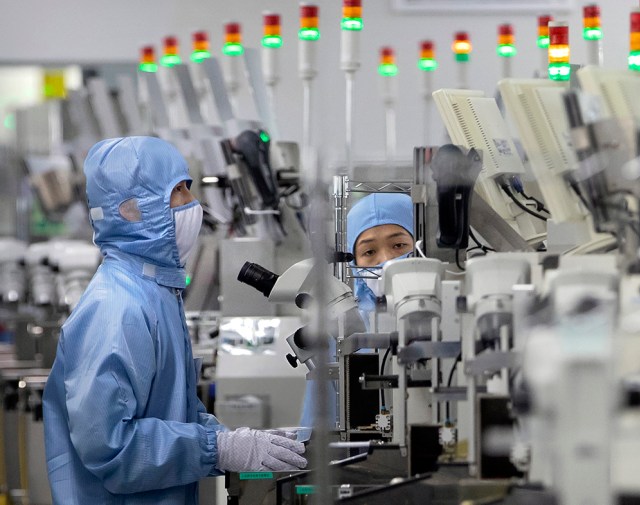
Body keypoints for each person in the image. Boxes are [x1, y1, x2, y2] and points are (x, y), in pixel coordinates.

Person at [42, 137, 307, 505]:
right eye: (177, 192)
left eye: (188, 188)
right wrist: (217, 449)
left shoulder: (154, 291)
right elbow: (111, 447)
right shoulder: (118, 309)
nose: (192, 204)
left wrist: (241, 442)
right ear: (133, 210)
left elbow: (172, 411)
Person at [298, 192, 414, 432]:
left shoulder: (455, 320)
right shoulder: (343, 334)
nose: (387, 261)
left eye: (399, 245)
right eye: (369, 252)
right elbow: (318, 434)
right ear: (354, 263)